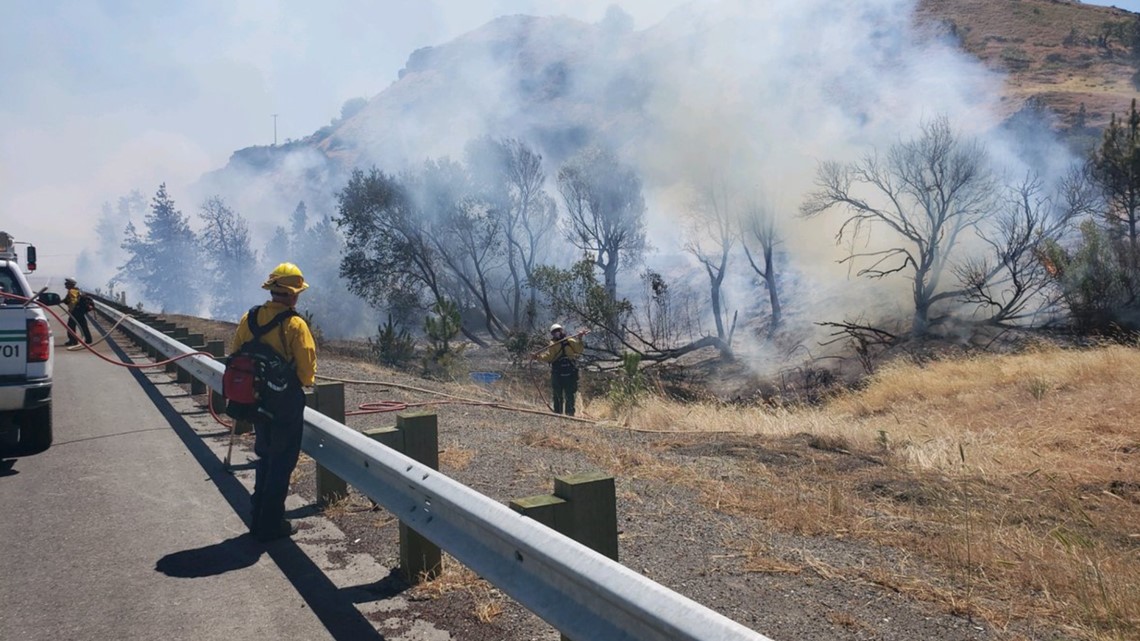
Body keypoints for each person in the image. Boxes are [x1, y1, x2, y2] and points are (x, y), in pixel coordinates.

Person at [231, 262, 317, 542]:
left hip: (255, 401)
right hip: (284, 405)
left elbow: (236, 354)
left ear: (272, 290)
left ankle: (258, 514)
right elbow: (305, 373)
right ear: (293, 294)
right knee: (282, 462)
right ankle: (271, 523)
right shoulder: (295, 325)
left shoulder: (249, 318)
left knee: (265, 455)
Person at [535, 323, 586, 416]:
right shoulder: (553, 344)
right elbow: (548, 356)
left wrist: (580, 338)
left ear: (561, 331)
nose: (557, 333)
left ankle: (569, 414)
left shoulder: (570, 340)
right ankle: (558, 413)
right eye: (554, 332)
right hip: (558, 372)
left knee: (569, 394)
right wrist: (537, 357)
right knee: (558, 393)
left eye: (558, 331)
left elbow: (579, 350)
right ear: (552, 334)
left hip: (569, 372)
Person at [61, 277, 92, 346]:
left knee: (71, 326)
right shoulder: (77, 290)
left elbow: (73, 301)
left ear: (71, 284)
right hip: (80, 311)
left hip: (75, 312)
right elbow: (67, 300)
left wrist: (71, 309)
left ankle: (73, 341)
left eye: (67, 283)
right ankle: (88, 340)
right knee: (83, 326)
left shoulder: (72, 291)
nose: (65, 284)